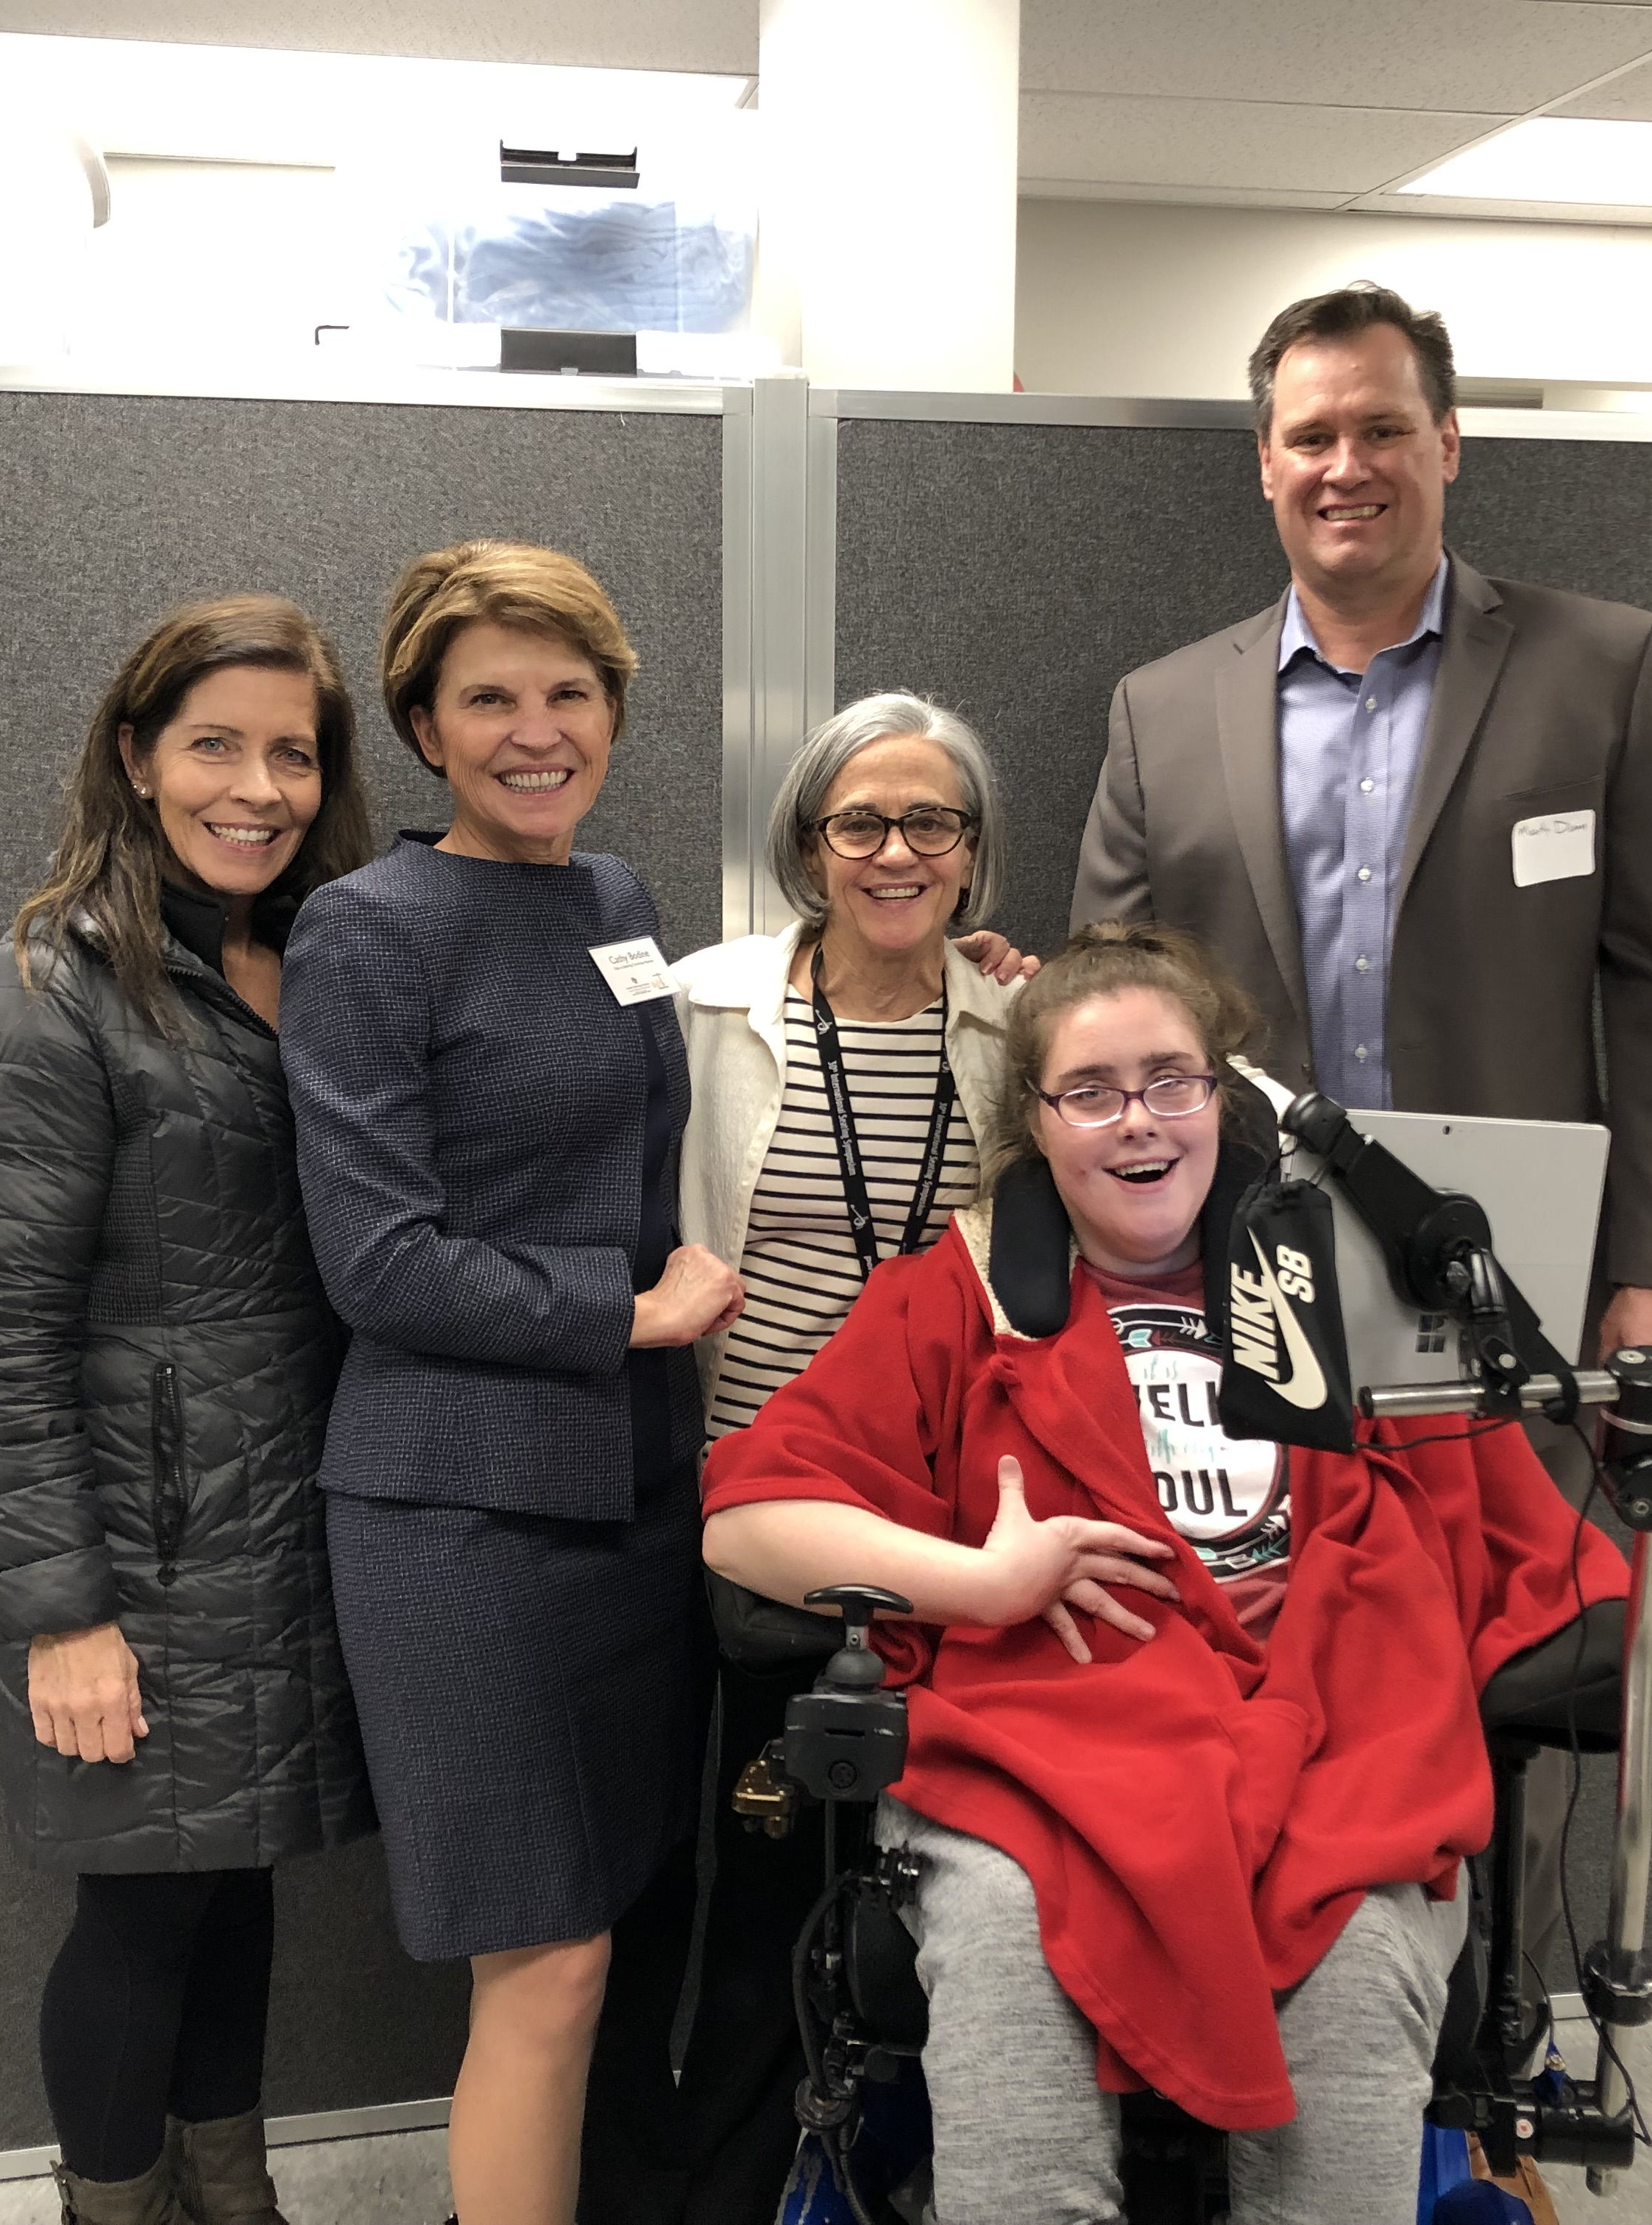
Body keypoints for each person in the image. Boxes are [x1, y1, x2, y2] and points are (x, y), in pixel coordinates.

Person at [701, 921, 1630, 2224]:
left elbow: (1496, 1529)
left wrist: (1341, 1582)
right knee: (1018, 1960)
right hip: (1046, 1760)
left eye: (1170, 1081)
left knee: (1359, 1960)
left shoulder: (1348, 1304)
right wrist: (984, 1582)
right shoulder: (948, 1304)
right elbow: (745, 1526)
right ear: (1036, 1119)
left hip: (1323, 1755)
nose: (1137, 1123)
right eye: (1090, 1092)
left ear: (1220, 1096)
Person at [280, 541, 742, 2225]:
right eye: (490, 698)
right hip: (458, 1510)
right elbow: (379, 1263)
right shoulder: (368, 932)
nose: (535, 730)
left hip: (636, 1502)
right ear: (421, 722)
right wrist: (623, 1317)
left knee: (617, 1932)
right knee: (541, 1958)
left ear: (615, 708)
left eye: (569, 693)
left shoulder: (616, 903)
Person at [1071, 280, 1652, 1391]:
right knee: (1264, 1563)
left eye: (1383, 429)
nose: (1348, 466)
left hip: (1513, 1263)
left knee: (1506, 1563)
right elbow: (1105, 1010)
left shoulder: (1602, 673)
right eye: (1313, 436)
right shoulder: (1164, 711)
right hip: (1237, 1261)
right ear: (1267, 464)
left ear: (1446, 445)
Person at [0, 595, 378, 2225]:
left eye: (291, 750)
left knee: (232, 1883)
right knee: (140, 1911)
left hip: (292, 1526)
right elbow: (0, 1333)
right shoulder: (51, 992)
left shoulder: (324, 949)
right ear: (136, 760)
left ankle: (234, 2195)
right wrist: (65, 1613)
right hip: (148, 1545)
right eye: (214, 745)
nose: (254, 786)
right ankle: (112, 2209)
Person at [664, 692, 1026, 2218]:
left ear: (973, 850)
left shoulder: (1022, 1026)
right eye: (858, 821)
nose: (895, 849)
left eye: (930, 820)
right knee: (761, 1876)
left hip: (943, 1524)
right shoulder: (705, 1007)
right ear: (808, 845)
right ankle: (752, 2180)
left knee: (940, 1872)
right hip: (756, 1508)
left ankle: (926, 2164)